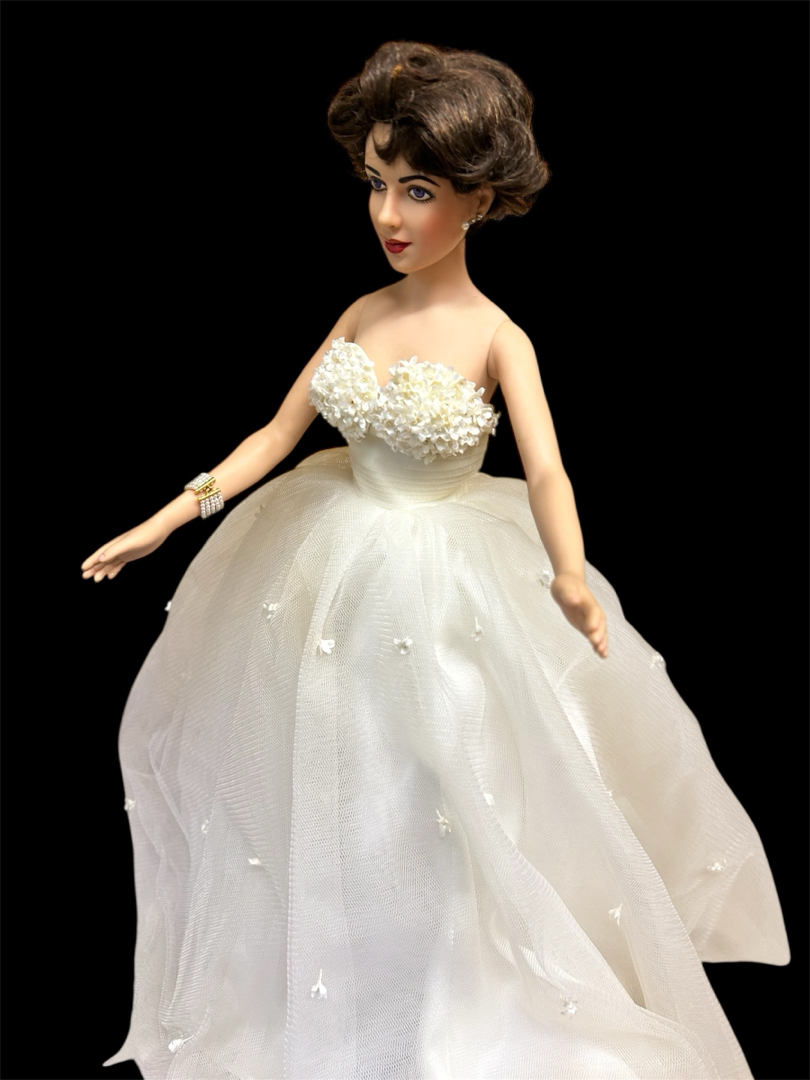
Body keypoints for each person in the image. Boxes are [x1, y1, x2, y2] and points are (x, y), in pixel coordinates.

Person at [85, 41, 789, 1080]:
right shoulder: (363, 312)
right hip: (327, 567)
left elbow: (547, 471)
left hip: (450, 582)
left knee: (452, 788)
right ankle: (344, 987)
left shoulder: (500, 336)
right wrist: (171, 516)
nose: (388, 214)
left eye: (416, 190)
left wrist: (569, 575)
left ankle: (458, 1003)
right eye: (376, 183)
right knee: (343, 781)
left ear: (480, 199)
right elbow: (279, 433)